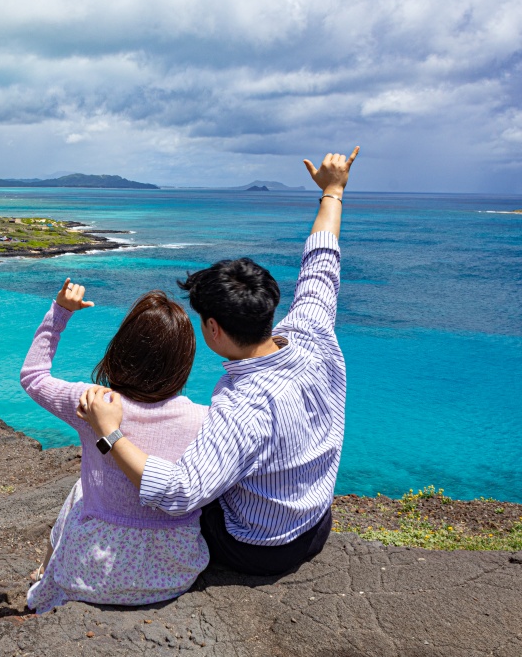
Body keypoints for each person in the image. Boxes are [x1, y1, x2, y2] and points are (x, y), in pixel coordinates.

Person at [78, 147, 359, 577]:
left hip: (260, 547)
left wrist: (108, 432)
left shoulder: (242, 406)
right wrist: (333, 191)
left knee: (169, 508)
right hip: (316, 522)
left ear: (213, 328)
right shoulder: (311, 333)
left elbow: (178, 493)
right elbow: (322, 261)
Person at [20, 278, 210, 614]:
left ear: (120, 350)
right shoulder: (205, 418)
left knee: (81, 491)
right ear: (183, 362)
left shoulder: (93, 404)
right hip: (174, 573)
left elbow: (33, 375)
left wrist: (60, 312)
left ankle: (46, 574)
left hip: (92, 574)